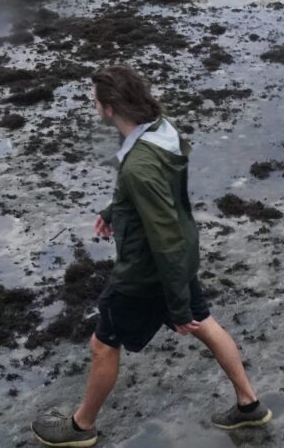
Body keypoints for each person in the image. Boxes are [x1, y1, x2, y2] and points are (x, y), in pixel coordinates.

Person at [32, 66, 271, 447]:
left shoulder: (139, 167)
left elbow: (165, 237)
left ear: (109, 108)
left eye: (94, 101)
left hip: (149, 270)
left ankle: (80, 428)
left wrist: (175, 305)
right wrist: (117, 210)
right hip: (175, 261)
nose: (92, 106)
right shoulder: (162, 130)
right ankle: (249, 405)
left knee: (103, 343)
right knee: (205, 323)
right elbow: (157, 195)